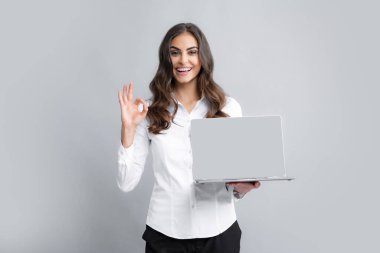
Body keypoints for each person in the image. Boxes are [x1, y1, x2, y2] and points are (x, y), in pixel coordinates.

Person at [117, 23, 261, 253]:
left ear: (202, 57)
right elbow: (126, 183)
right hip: (165, 236)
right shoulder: (148, 112)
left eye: (192, 52)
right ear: (167, 59)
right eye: (175, 53)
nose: (183, 60)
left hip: (220, 234)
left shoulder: (229, 108)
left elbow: (235, 185)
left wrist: (243, 188)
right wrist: (128, 127)